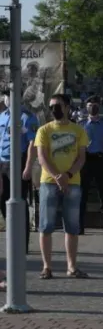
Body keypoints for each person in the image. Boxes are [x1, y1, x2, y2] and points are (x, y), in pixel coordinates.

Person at [34, 93, 89, 280]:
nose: (54, 109)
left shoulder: (78, 130)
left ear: (67, 107)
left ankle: (72, 267)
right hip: (48, 183)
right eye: (51, 106)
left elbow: (81, 157)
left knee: (72, 227)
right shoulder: (44, 130)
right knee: (46, 226)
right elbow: (42, 157)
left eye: (57, 105)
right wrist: (57, 176)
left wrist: (68, 175)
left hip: (72, 183)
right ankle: (47, 267)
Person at [0, 90, 39, 251]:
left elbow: (32, 143)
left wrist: (28, 166)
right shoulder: (2, 116)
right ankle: (12, 235)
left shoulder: (27, 117)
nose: (7, 99)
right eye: (5, 96)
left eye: (10, 95)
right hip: (2, 162)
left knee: (20, 201)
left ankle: (22, 243)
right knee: (3, 200)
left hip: (19, 162)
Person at [78, 96, 103, 235]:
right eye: (90, 105)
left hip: (100, 161)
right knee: (82, 194)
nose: (92, 107)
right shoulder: (81, 124)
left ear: (99, 107)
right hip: (85, 161)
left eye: (95, 105)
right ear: (86, 107)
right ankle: (80, 225)